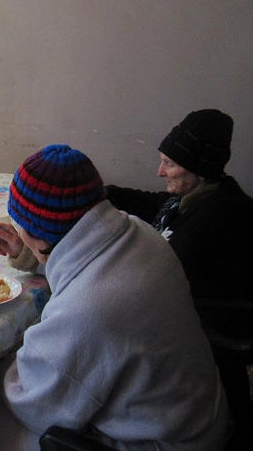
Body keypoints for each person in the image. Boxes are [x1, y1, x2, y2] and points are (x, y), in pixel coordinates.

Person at [0, 144, 228, 451]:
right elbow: (84, 266)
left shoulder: (86, 310)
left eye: (20, 225)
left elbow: (36, 404)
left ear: (34, 231)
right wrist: (30, 253)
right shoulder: (140, 234)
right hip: (200, 421)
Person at [103, 109, 253, 337]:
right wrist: (98, 191)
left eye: (169, 164)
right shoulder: (193, 195)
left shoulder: (220, 212)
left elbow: (157, 272)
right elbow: (149, 201)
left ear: (199, 170)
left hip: (203, 323)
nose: (160, 172)